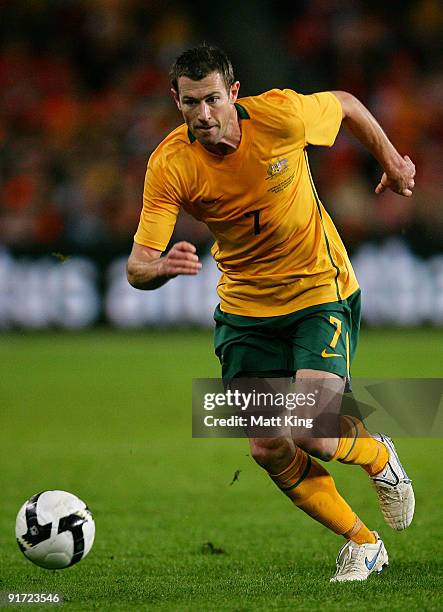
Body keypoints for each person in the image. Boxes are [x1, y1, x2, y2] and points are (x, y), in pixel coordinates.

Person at [126, 45, 416, 582]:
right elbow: (136, 267)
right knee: (265, 445)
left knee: (312, 431)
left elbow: (348, 104)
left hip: (318, 291)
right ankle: (363, 543)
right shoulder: (170, 164)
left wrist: (392, 161)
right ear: (177, 102)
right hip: (244, 310)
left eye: (213, 98)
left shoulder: (280, 115)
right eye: (191, 103)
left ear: (233, 93)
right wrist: (160, 267)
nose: (204, 114)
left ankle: (378, 455)